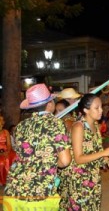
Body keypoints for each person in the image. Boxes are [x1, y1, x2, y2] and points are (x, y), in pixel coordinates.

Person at [3, 83, 71, 211]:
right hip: (40, 194)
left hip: (14, 191)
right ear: (50, 104)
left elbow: (24, 156)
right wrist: (47, 157)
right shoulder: (56, 124)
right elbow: (65, 161)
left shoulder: (20, 126)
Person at [59, 93, 109, 210]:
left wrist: (108, 162)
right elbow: (79, 158)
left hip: (93, 176)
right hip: (78, 179)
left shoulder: (96, 125)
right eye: (97, 108)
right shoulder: (78, 127)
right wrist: (104, 153)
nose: (101, 110)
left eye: (101, 107)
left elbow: (97, 151)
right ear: (86, 110)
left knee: (93, 206)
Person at [0, 116, 16, 185]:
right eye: (2, 120)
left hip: (7, 151)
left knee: (14, 157)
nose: (4, 122)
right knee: (1, 162)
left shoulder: (6, 131)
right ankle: (2, 181)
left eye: (3, 120)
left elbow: (9, 144)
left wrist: (7, 151)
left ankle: (11, 179)